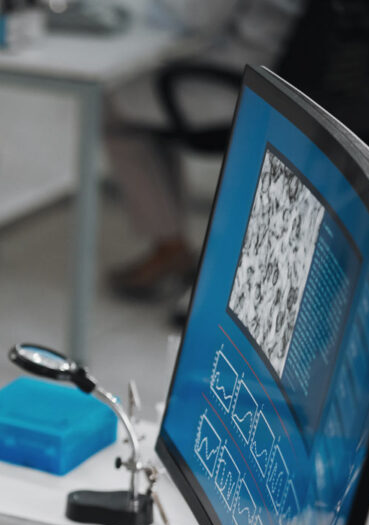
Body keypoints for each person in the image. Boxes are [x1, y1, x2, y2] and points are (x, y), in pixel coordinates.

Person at [105, 0, 305, 300]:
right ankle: (170, 246)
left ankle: (169, 247)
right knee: (142, 110)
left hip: (240, 84)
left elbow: (196, 19)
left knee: (112, 110)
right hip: (287, 86)